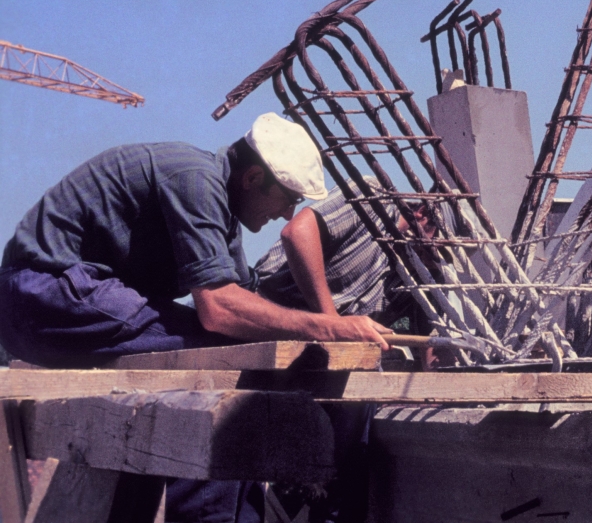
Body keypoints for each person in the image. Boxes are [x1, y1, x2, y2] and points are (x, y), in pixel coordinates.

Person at [0, 112, 391, 523]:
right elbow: (220, 309)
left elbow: (245, 294)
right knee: (221, 362)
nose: (285, 215)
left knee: (198, 375)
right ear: (253, 178)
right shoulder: (193, 178)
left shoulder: (222, 217)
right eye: (288, 199)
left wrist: (316, 343)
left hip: (63, 307)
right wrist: (329, 325)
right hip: (39, 295)